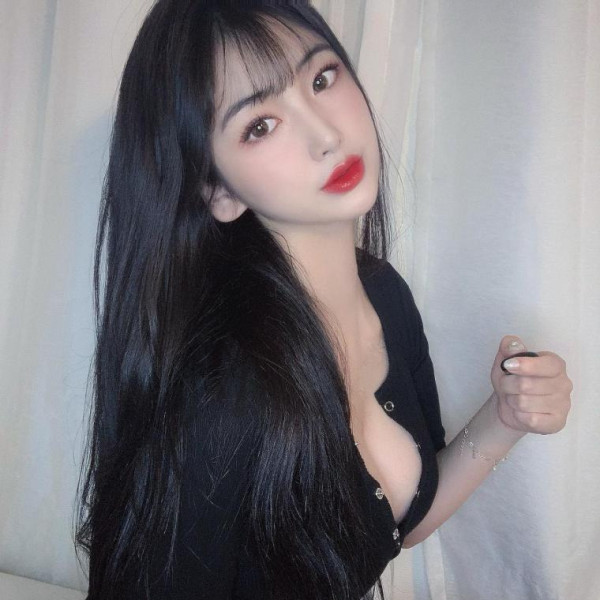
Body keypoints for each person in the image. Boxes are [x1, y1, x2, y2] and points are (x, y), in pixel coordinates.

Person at [76, 1, 572, 599]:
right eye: (260, 125)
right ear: (218, 190)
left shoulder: (384, 294)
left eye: (321, 78)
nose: (326, 135)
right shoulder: (223, 388)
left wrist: (505, 419)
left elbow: (399, 522)